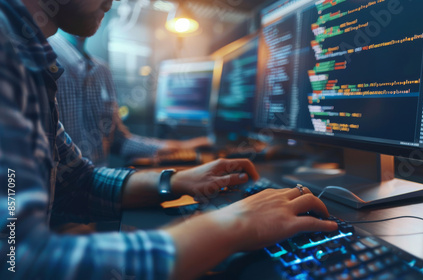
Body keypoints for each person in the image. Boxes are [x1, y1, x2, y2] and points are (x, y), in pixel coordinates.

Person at [0, 0, 337, 279]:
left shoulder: (29, 58)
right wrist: (233, 224)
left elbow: (77, 182)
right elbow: (19, 259)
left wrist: (175, 180)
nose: (110, 3)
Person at [47, 31, 209, 166]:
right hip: (69, 197)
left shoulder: (102, 71)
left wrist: (177, 147)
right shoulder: (42, 61)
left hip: (97, 188)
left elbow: (118, 140)